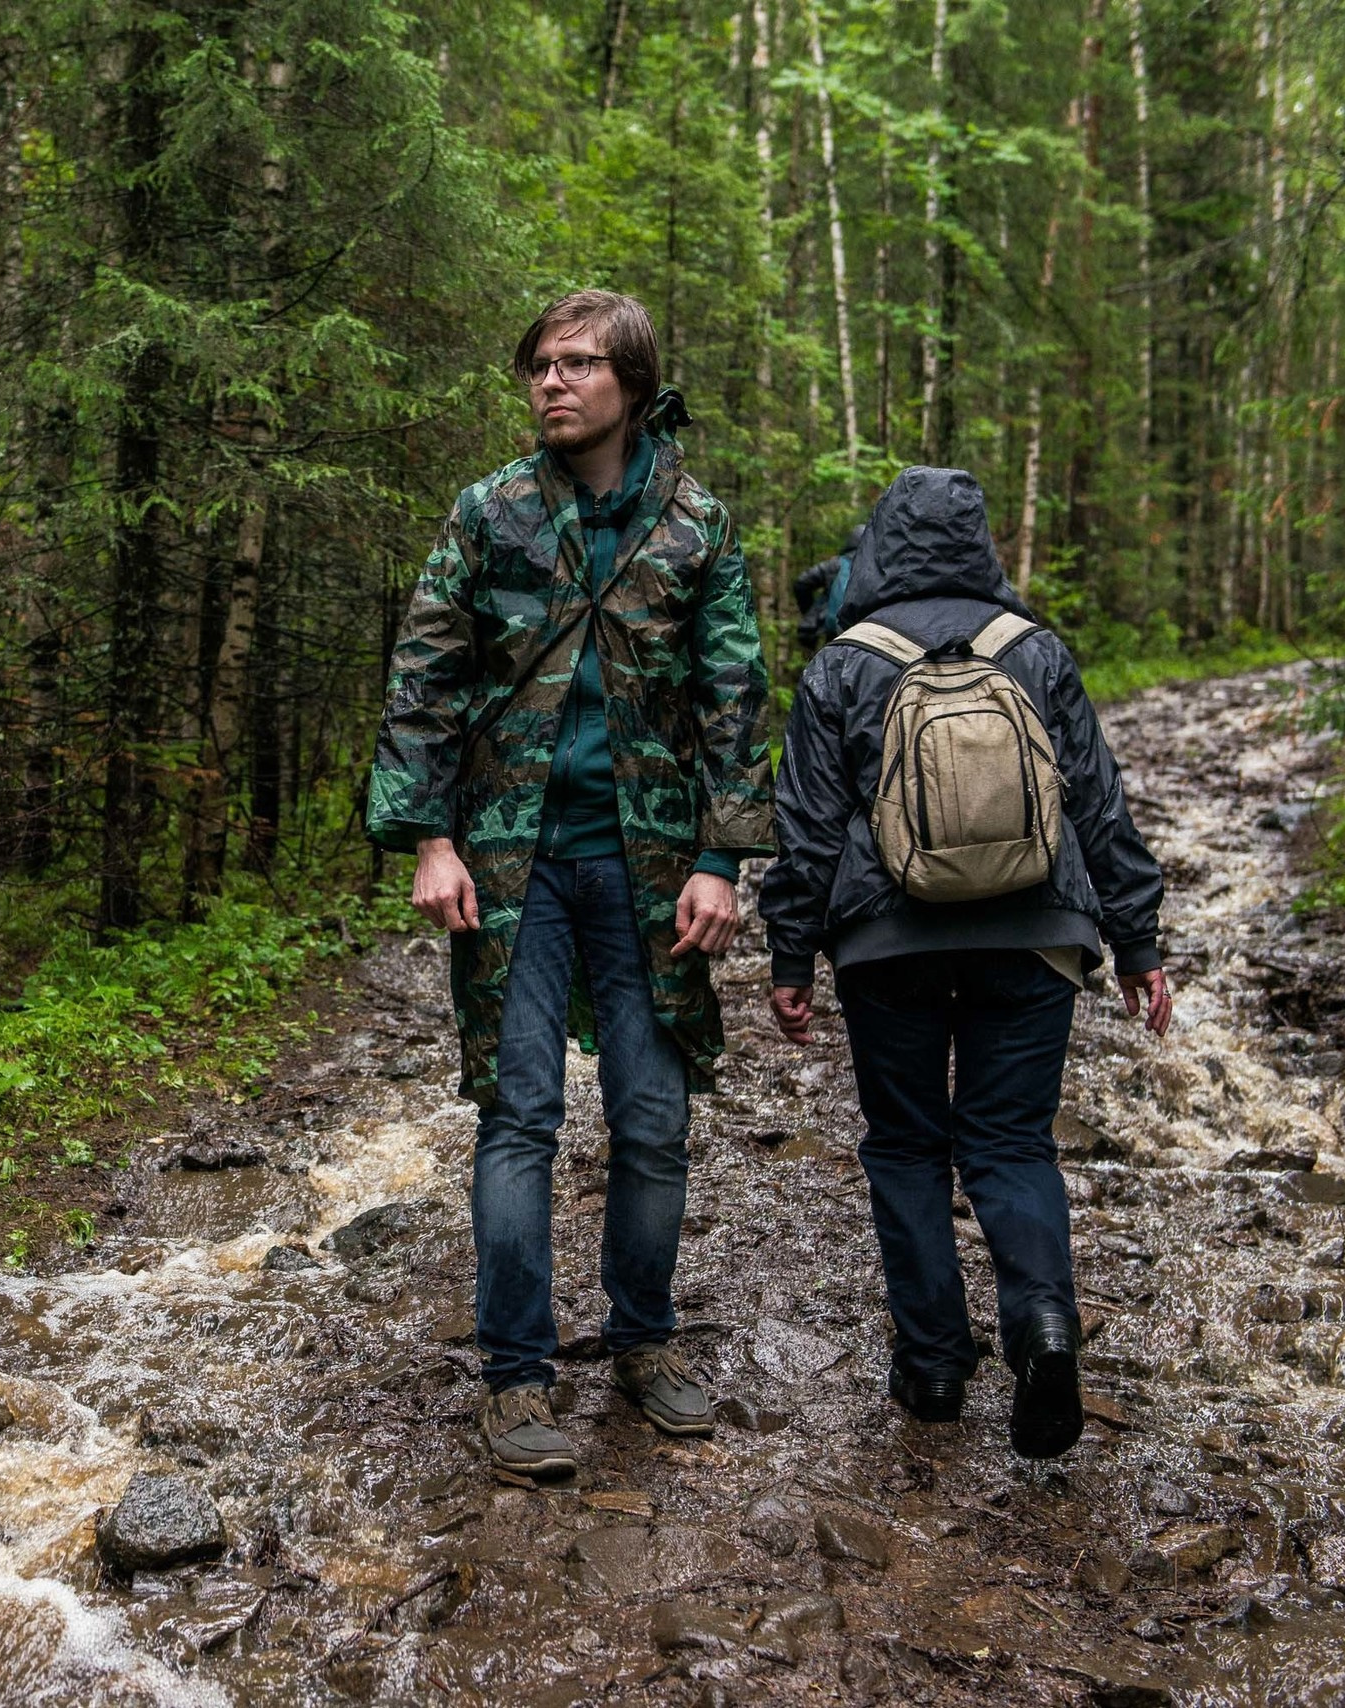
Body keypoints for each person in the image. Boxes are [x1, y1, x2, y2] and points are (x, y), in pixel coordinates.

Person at [367, 289, 774, 1481]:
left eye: (578, 364)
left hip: (652, 866)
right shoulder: (488, 512)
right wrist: (428, 839)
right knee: (519, 1114)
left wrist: (720, 859)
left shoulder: (696, 524)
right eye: (539, 364)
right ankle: (515, 1377)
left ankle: (643, 1341)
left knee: (652, 1116)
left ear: (631, 385)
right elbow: (423, 681)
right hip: (513, 863)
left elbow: (733, 700)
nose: (551, 381)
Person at [756, 466, 1172, 1459]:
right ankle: (1043, 1323)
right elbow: (1098, 802)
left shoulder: (843, 662)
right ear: (982, 542)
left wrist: (791, 955)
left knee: (907, 1145)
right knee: (1012, 1142)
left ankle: (935, 1365)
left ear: (880, 543)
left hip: (886, 939)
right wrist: (1138, 944)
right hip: (1034, 932)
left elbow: (806, 827)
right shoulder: (1035, 650)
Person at [790, 524, 865, 655]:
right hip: (861, 634)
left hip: (831, 631)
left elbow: (802, 582)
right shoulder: (875, 568)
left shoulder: (835, 564)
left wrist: (810, 611)